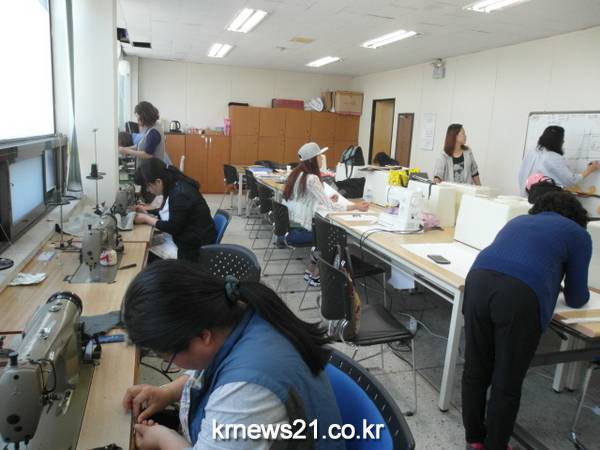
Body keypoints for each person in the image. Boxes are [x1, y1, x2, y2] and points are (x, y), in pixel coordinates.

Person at [121, 261, 345, 450]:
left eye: (168, 358)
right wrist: (168, 392)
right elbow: (213, 366)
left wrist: (163, 439)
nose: (173, 364)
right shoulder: (241, 314)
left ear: (203, 336)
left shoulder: (248, 388)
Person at [461, 191, 591, 450]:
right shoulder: (578, 234)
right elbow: (577, 297)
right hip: (519, 295)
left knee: (475, 369)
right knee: (506, 380)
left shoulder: (518, 220)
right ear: (577, 217)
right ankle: (496, 445)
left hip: (477, 280)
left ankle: (474, 439)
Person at [283, 142, 369, 286]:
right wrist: (356, 206)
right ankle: (317, 276)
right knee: (333, 239)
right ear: (313, 159)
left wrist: (326, 199)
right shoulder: (312, 178)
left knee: (322, 234)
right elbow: (331, 207)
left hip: (292, 227)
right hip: (300, 231)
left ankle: (310, 271)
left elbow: (306, 200)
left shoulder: (297, 174)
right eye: (319, 156)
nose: (322, 158)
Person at [134, 158, 216, 262]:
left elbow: (173, 227)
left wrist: (146, 219)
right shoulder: (174, 185)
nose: (148, 190)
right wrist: (147, 212)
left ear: (158, 181)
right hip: (191, 237)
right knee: (150, 248)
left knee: (146, 257)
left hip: (195, 249)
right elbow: (170, 211)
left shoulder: (179, 194)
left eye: (148, 186)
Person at [518, 125, 600, 196]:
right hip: (542, 201)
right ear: (558, 141)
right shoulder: (553, 157)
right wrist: (589, 170)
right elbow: (570, 180)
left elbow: (521, 175)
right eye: (562, 139)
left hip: (525, 197)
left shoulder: (531, 153)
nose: (563, 141)